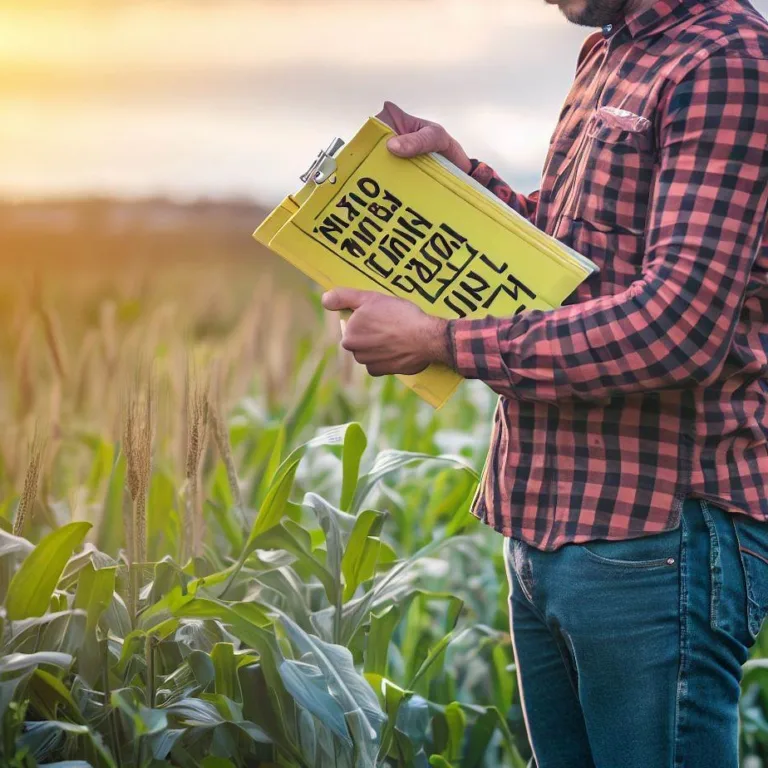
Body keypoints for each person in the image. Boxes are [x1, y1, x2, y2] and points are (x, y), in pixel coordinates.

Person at [321, 0, 768, 765]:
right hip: (547, 521)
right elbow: (571, 270)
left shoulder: (728, 61)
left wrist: (441, 341)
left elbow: (676, 325)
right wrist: (463, 181)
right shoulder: (609, 52)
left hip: (658, 534)